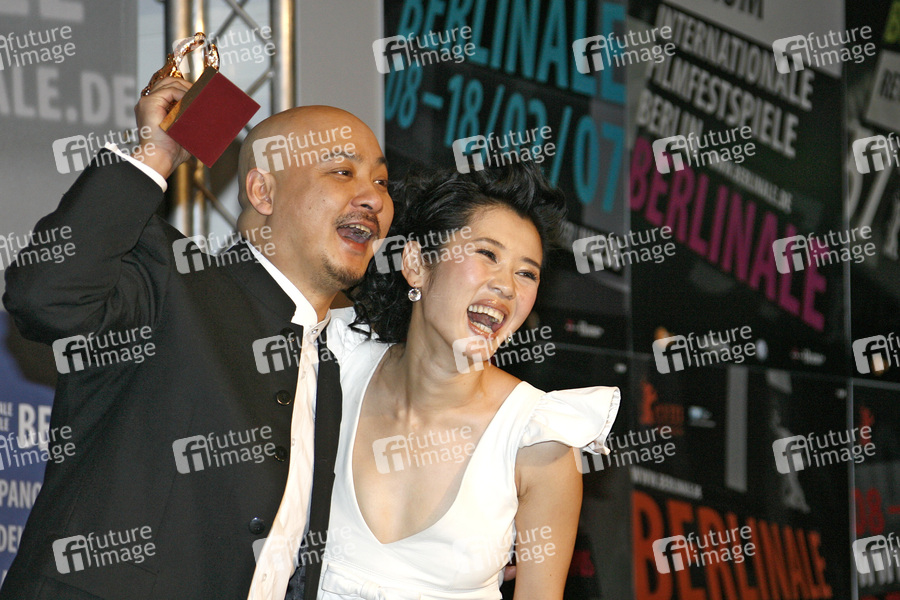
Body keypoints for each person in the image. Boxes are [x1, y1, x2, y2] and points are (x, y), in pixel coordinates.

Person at [0, 73, 392, 599]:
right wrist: (155, 155)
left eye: (383, 183)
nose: (372, 198)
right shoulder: (170, 278)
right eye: (343, 172)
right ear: (262, 191)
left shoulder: (334, 365)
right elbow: (45, 296)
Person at [315, 162, 620, 599]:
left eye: (527, 273)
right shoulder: (334, 365)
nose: (507, 287)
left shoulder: (539, 441)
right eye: (487, 254)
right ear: (416, 264)